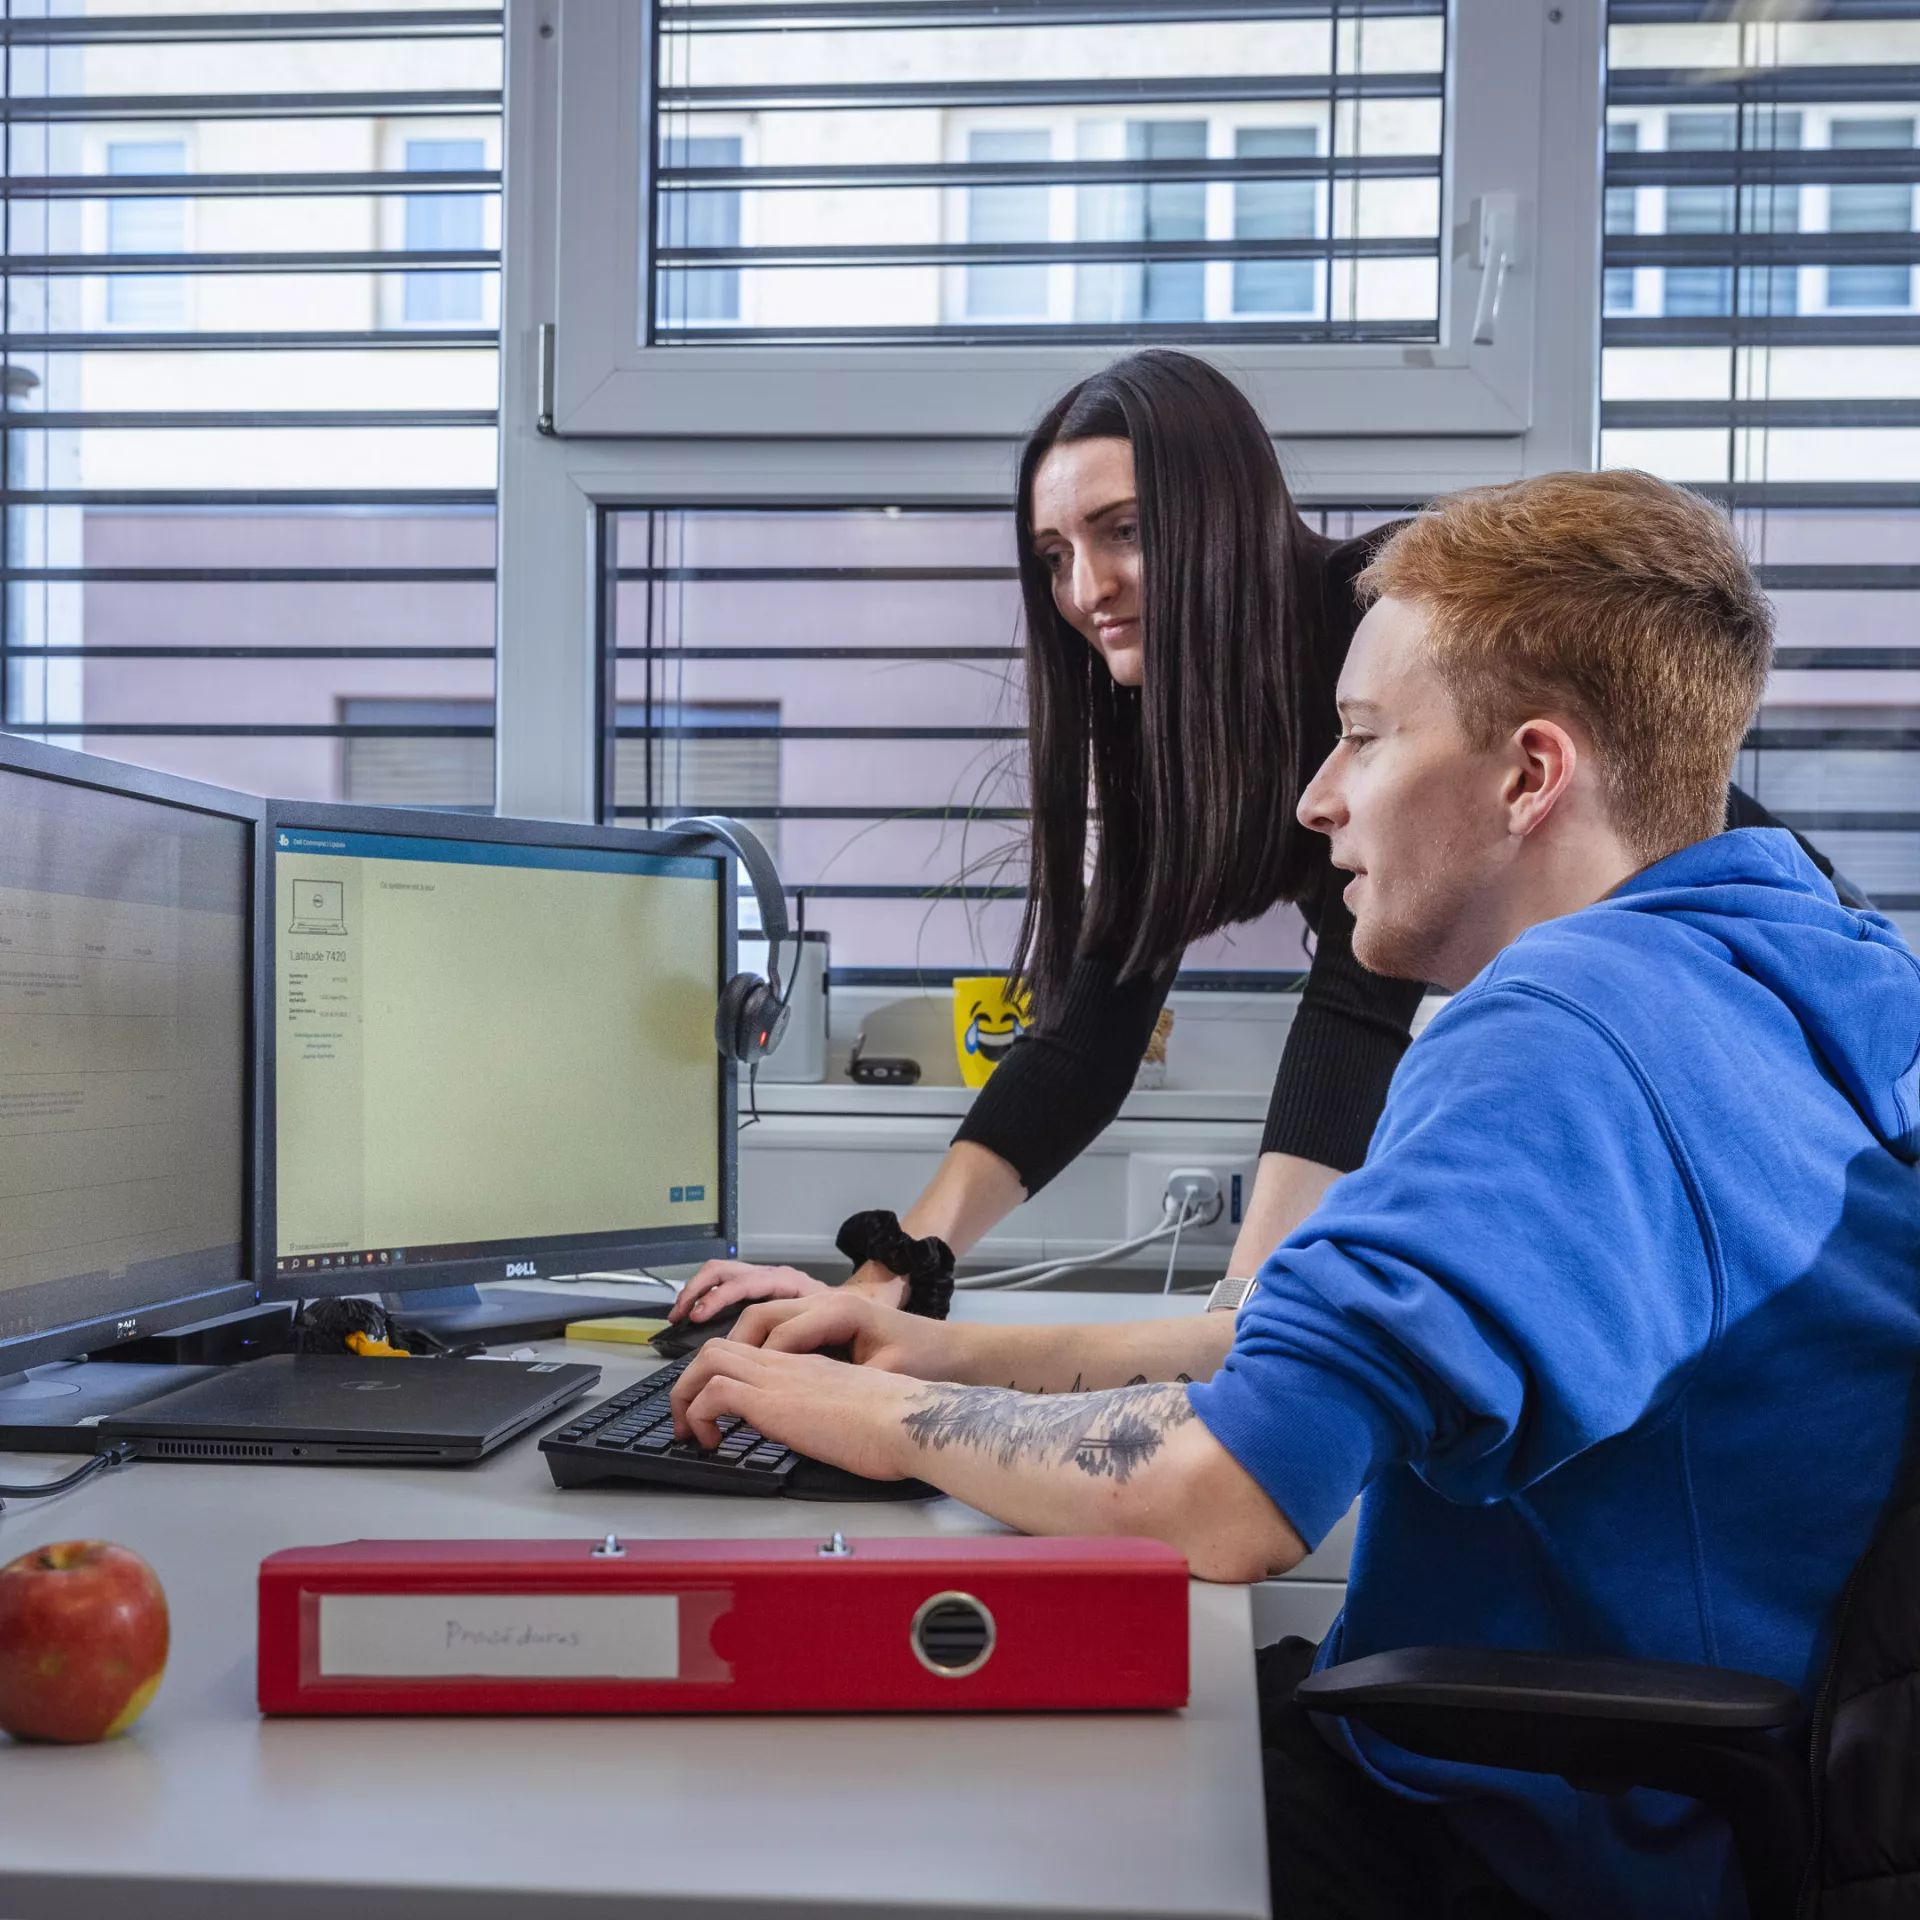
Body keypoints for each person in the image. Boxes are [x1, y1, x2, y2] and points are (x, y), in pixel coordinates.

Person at [667, 469, 1920, 1918]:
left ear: (1530, 775)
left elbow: (1231, 1493)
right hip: (1698, 1795)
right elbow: (1331, 1352)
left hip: (1538, 1834)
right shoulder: (1808, 974)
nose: (1316, 799)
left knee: (901, 1810)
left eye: (1364, 738)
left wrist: (874, 1421)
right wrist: (939, 1349)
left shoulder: (1569, 1032)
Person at [671, 351, 1847, 1330]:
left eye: (1122, 530)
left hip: (1777, 1004)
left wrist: (1240, 1312)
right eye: (1053, 554)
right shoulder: (1165, 727)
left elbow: (1359, 994)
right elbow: (1087, 1039)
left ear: (1217, 515)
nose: (1086, 587)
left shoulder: (1387, 618)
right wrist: (889, 1278)